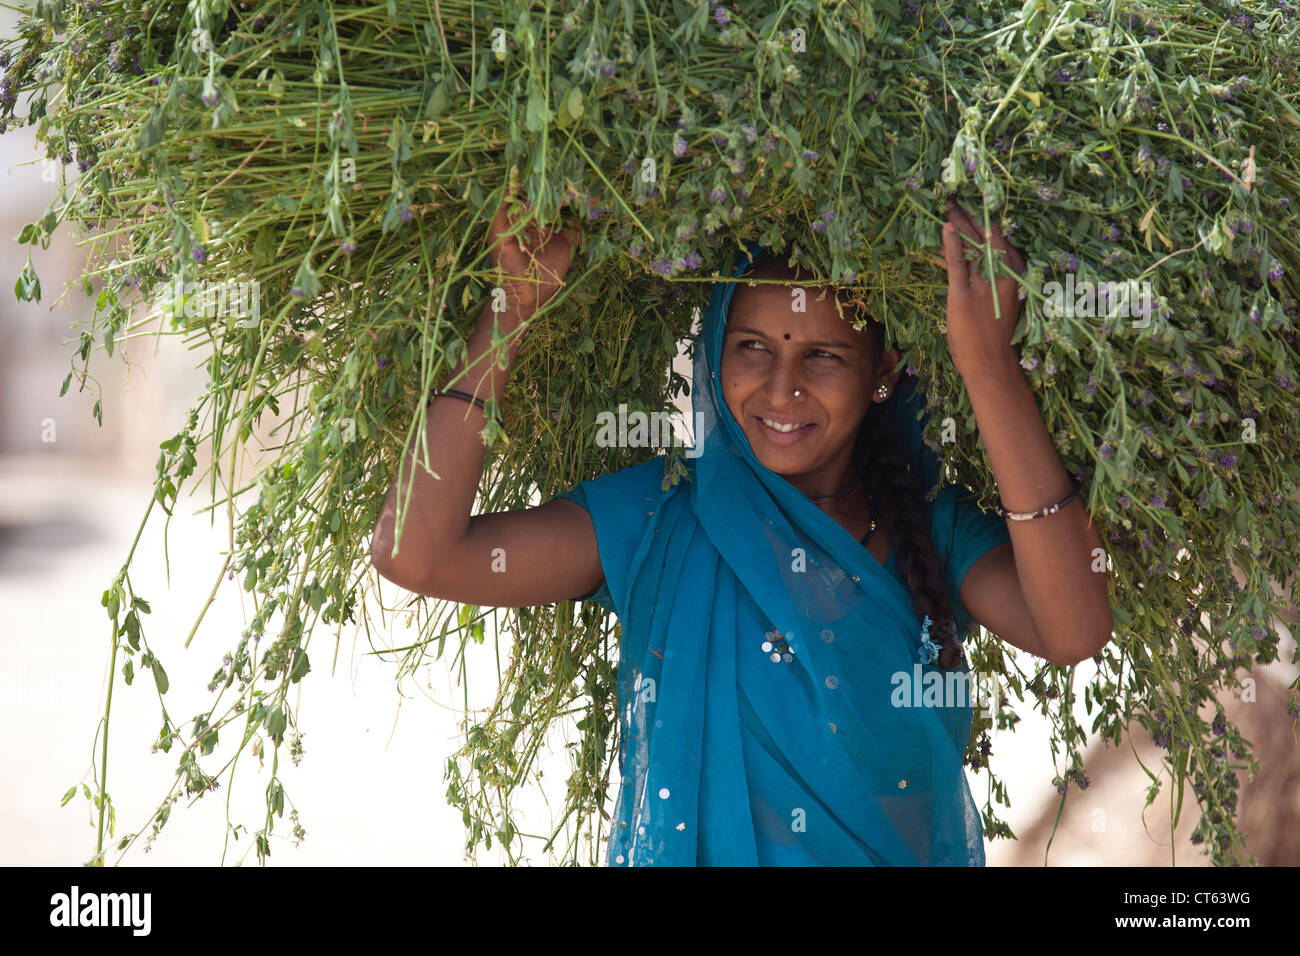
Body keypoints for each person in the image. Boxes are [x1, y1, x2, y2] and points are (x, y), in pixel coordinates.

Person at [370, 186, 1114, 866]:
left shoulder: (928, 528)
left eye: (823, 356)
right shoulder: (660, 514)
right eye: (753, 347)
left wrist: (987, 365)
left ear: (882, 371)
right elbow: (415, 553)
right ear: (713, 352)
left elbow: (1075, 629)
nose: (782, 389)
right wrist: (511, 308)